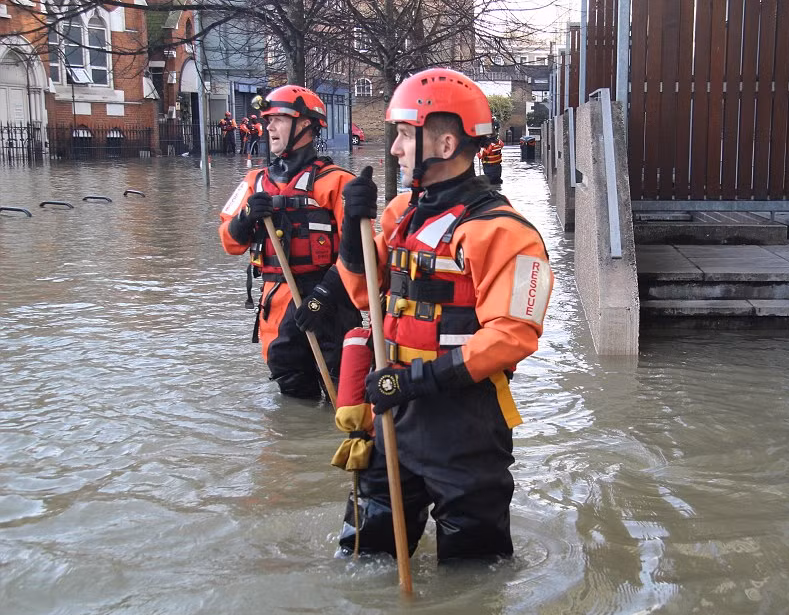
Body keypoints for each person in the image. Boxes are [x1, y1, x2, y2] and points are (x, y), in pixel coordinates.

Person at [333, 68, 555, 562]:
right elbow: (364, 295)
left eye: (405, 136)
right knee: (365, 557)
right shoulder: (400, 214)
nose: (393, 149)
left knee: (473, 572)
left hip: (465, 424)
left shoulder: (507, 234)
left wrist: (417, 381)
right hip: (394, 413)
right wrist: (351, 227)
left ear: (446, 142)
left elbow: (513, 336)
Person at [217, 85, 362, 399]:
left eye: (279, 119)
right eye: (268, 119)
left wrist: (322, 296)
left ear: (307, 126)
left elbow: (359, 253)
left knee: (345, 393)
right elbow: (229, 242)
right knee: (293, 393)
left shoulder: (339, 182)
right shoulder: (254, 183)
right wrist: (245, 218)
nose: (269, 127)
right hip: (278, 303)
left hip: (331, 301)